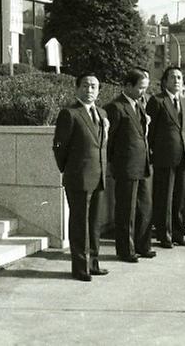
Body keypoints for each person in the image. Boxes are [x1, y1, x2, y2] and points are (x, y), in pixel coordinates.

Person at [52, 74, 109, 281]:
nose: (90, 90)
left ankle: (93, 263)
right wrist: (70, 170)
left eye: (94, 86)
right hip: (78, 177)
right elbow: (59, 147)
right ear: (77, 89)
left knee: (94, 224)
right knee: (79, 224)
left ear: (98, 90)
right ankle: (80, 267)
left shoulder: (102, 113)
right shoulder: (70, 114)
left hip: (98, 175)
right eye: (85, 85)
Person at [147, 66, 185, 248]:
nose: (177, 80)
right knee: (165, 197)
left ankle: (179, 233)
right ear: (165, 82)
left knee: (182, 198)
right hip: (165, 156)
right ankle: (165, 235)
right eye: (172, 77)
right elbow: (150, 132)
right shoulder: (157, 101)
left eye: (179, 77)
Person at [105, 69, 155, 262]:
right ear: (128, 86)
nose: (144, 92)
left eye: (145, 88)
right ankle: (126, 250)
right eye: (140, 87)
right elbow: (110, 141)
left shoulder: (139, 105)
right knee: (126, 210)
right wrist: (112, 164)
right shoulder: (116, 107)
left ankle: (143, 245)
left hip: (142, 164)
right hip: (125, 166)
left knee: (145, 207)